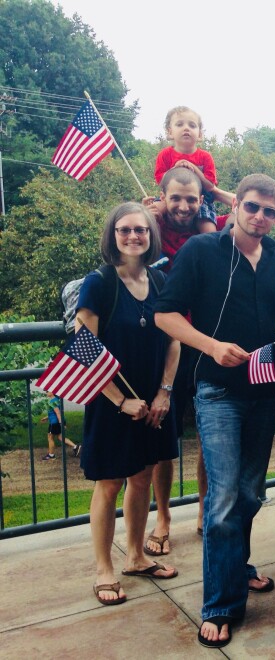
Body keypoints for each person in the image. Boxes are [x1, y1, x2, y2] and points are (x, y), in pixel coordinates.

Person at [155, 174, 275, 648]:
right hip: (216, 391)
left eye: (270, 212)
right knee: (224, 499)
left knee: (251, 493)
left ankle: (238, 566)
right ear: (235, 206)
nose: (259, 217)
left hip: (264, 391)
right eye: (252, 207)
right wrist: (211, 347)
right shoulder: (200, 251)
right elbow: (164, 314)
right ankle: (219, 605)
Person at [76, 202, 180, 606]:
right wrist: (121, 401)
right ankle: (104, 567)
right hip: (112, 402)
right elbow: (85, 350)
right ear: (113, 234)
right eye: (125, 230)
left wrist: (164, 392)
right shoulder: (99, 283)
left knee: (143, 478)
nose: (134, 236)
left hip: (154, 402)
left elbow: (173, 340)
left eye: (141, 229)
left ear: (152, 234)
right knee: (110, 483)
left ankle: (136, 557)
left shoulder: (159, 279)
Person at [142, 166, 216, 556]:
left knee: (209, 433)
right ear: (162, 195)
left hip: (203, 342)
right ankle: (164, 517)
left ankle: (205, 511)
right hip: (163, 343)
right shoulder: (148, 229)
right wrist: (146, 217)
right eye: (177, 198)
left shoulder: (211, 230)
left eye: (192, 198)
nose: (184, 206)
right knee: (163, 437)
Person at [154, 106, 234, 222]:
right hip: (171, 198)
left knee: (207, 229)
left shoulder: (205, 157)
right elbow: (161, 182)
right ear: (170, 132)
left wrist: (195, 169)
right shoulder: (165, 154)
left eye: (192, 125)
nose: (186, 128)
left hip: (201, 200)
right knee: (151, 213)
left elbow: (210, 186)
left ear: (200, 134)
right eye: (180, 124)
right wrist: (176, 169)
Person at [40, 395, 79, 459]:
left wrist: (61, 424)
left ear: (52, 392)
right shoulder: (57, 400)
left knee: (50, 438)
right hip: (57, 421)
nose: (46, 392)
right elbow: (55, 412)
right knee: (60, 437)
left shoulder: (52, 401)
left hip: (54, 423)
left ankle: (51, 455)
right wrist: (47, 417)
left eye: (47, 391)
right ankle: (75, 446)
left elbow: (58, 413)